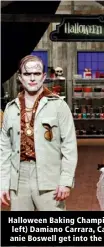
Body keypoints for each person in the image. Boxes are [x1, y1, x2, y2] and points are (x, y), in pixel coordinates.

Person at [0, 55, 78, 211]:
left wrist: (66, 181)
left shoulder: (58, 105)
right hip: (18, 177)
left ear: (43, 77)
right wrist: (3, 182)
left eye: (36, 74)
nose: (32, 78)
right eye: (27, 74)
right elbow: (4, 149)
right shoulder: (10, 108)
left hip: (50, 175)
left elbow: (69, 146)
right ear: (20, 77)